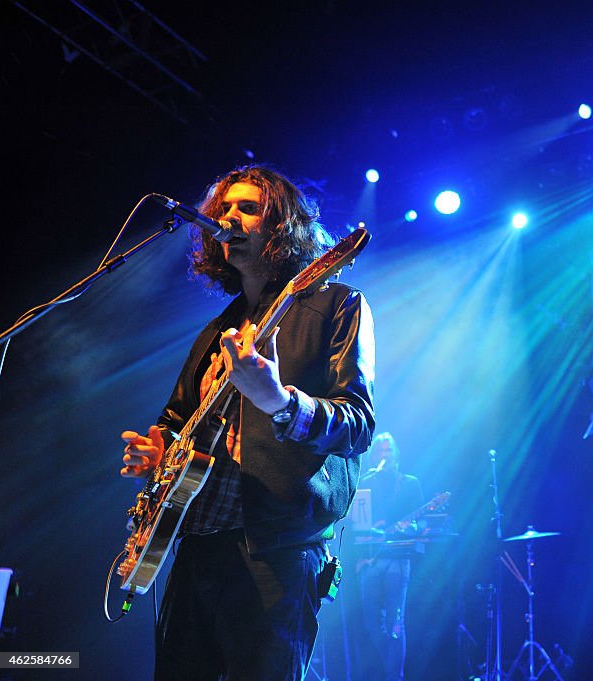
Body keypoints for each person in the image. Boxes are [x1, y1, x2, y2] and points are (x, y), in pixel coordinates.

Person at [119, 165, 376, 681]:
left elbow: (357, 425)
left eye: (247, 208)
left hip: (274, 548)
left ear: (282, 224)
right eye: (223, 210)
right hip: (192, 543)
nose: (228, 219)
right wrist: (159, 451)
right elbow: (175, 418)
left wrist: (279, 401)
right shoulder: (220, 327)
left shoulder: (337, 305)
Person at [356, 432, 424, 681]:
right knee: (372, 622)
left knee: (395, 623)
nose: (385, 456)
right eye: (380, 452)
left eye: (389, 452)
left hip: (398, 557)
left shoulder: (409, 483)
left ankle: (396, 676)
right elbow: (356, 523)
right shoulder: (366, 483)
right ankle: (386, 672)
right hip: (370, 559)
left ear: (396, 456)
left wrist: (409, 527)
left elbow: (420, 523)